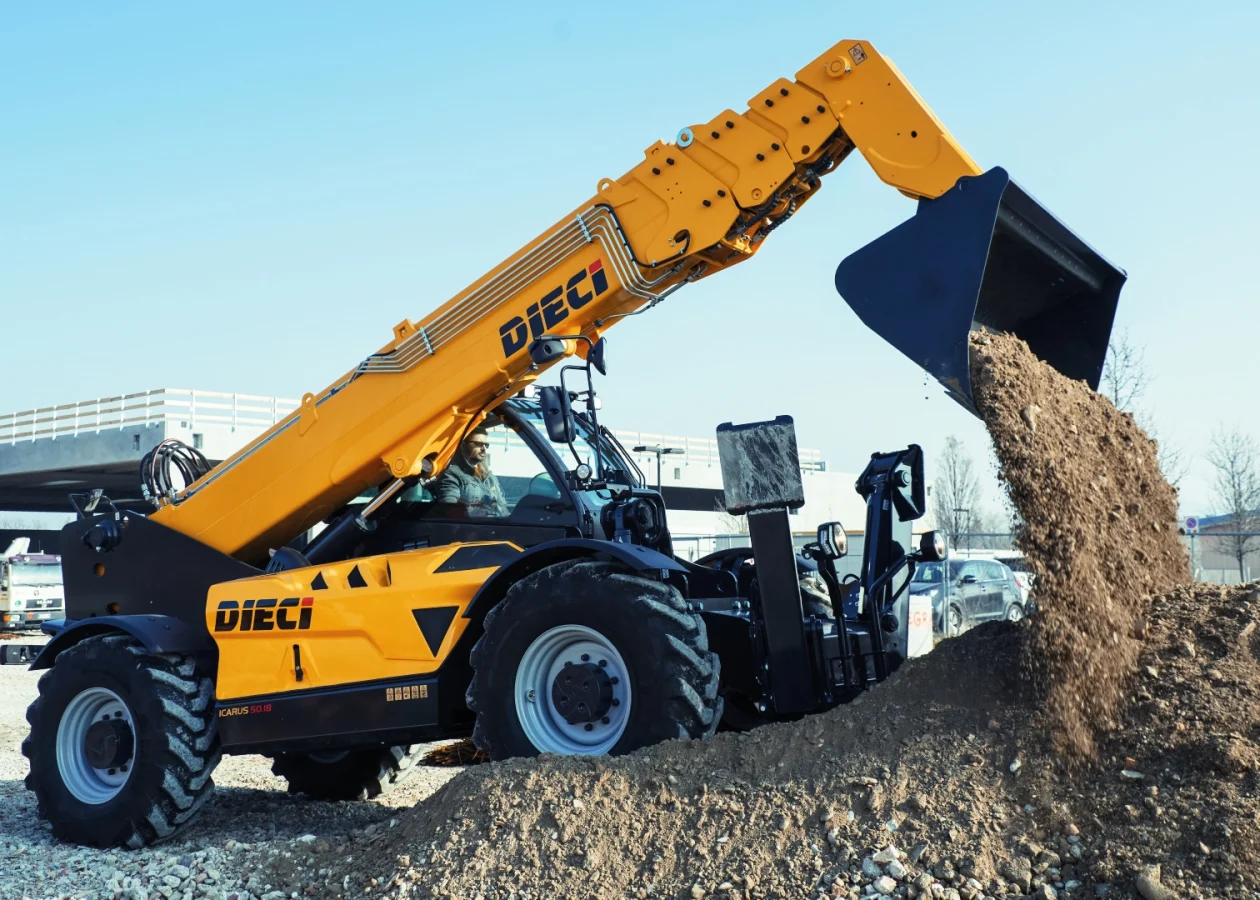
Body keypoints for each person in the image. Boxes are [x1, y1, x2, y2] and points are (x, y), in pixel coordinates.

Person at [431, 427, 508, 517]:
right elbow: (449, 509)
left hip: (492, 527)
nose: (484, 448)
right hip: (467, 528)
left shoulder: (490, 478)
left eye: (486, 445)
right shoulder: (451, 473)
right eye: (478, 444)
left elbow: (503, 509)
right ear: (463, 445)